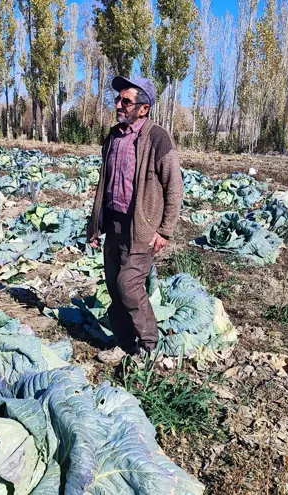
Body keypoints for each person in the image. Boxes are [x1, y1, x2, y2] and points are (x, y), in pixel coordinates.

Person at [86, 76, 183, 363]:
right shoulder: (113, 136)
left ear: (143, 108)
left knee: (129, 285)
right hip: (114, 224)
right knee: (115, 287)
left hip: (141, 227)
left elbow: (174, 186)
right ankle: (124, 343)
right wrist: (95, 225)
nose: (118, 104)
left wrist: (165, 230)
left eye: (125, 101)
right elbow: (105, 183)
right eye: (118, 99)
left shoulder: (157, 137)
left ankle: (150, 345)